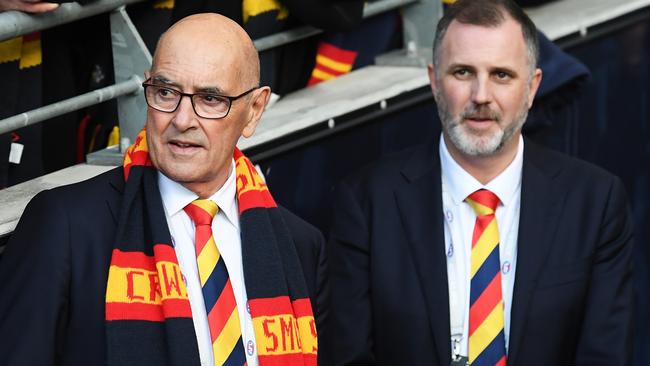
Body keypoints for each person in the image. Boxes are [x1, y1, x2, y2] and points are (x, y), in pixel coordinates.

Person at [0, 13, 326, 366]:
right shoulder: (65, 227)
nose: (182, 120)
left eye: (210, 99)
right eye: (166, 92)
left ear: (254, 110)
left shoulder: (299, 246)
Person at [327, 0, 634, 365]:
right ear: (434, 81)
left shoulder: (594, 202)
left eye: (501, 75)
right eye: (462, 72)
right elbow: (348, 357)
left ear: (533, 87)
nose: (481, 96)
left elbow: (606, 355)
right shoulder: (367, 202)